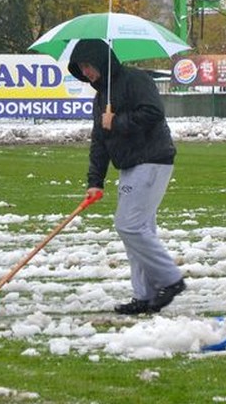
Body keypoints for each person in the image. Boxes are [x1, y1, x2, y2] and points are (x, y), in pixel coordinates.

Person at [67, 39, 185, 315]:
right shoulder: (101, 97)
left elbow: (154, 112)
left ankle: (171, 280)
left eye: (88, 65)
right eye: (81, 68)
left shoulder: (135, 79)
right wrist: (95, 182)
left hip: (152, 159)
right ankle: (144, 295)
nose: (85, 72)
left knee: (129, 226)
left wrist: (117, 121)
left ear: (100, 60)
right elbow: (99, 141)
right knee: (138, 232)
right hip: (130, 165)